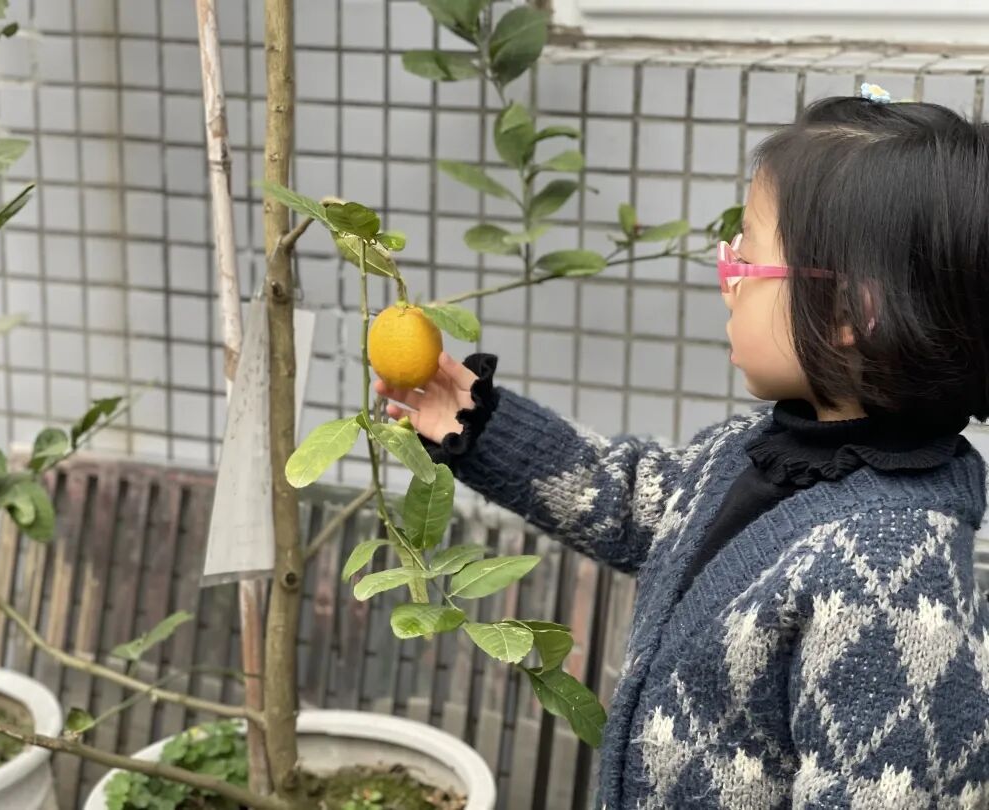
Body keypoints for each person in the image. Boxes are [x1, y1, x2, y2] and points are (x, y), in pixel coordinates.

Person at [374, 85, 989, 808]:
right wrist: (476, 422)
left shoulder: (893, 569)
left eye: (746, 262)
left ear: (851, 310)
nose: (727, 283)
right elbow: (631, 499)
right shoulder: (754, 448)